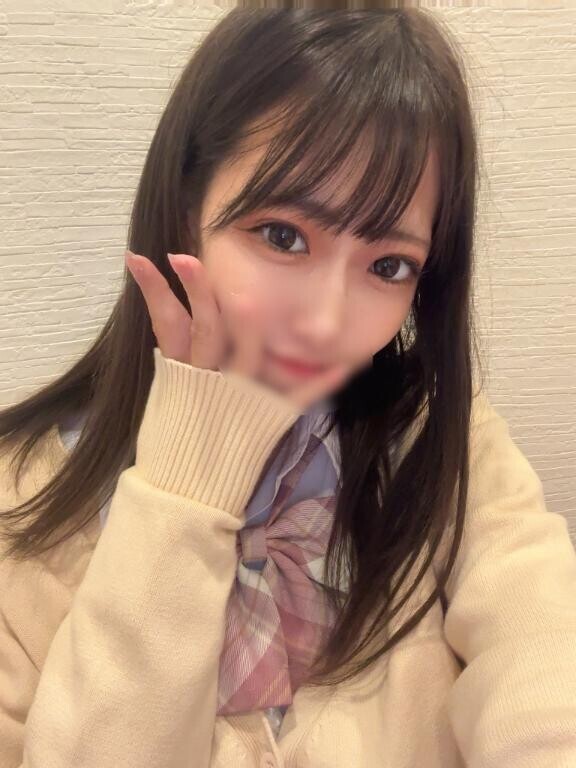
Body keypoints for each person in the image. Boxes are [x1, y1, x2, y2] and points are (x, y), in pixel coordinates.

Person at [1, 6, 575, 768]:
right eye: (283, 236)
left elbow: (544, 669)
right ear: (187, 211)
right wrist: (181, 486)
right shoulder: (23, 497)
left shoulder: (440, 438)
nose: (327, 321)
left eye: (388, 265)